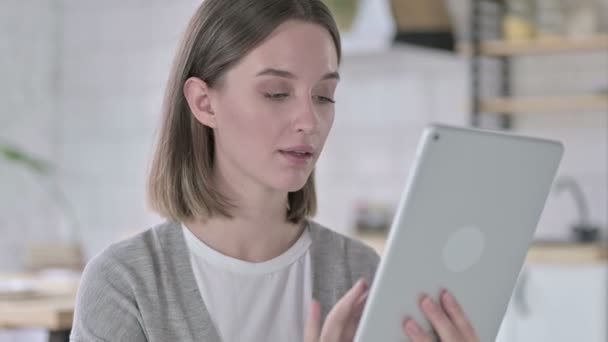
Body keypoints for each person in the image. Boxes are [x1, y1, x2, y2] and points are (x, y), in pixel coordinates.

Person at [70, 1, 479, 341]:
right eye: (276, 93)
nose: (310, 120)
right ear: (204, 103)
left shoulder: (361, 276)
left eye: (324, 95)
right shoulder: (125, 285)